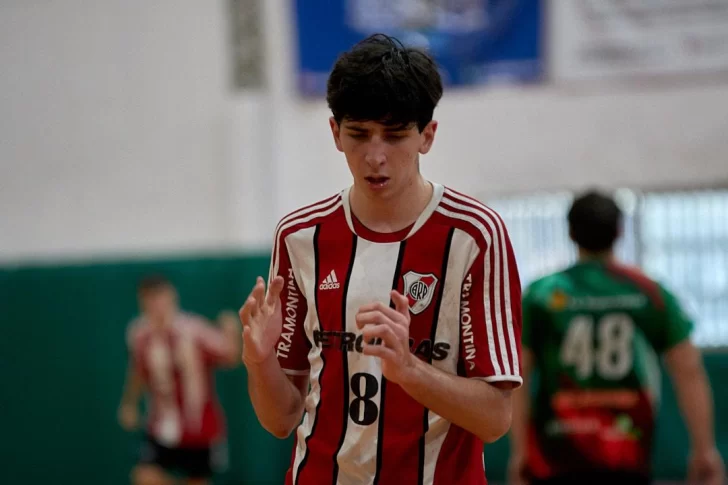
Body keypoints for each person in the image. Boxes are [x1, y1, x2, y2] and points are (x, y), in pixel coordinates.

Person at [239, 33, 523, 485]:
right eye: (358, 134)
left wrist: (409, 369)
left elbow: (494, 418)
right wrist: (259, 361)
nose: (375, 155)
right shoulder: (300, 236)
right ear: (335, 133)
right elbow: (281, 419)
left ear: (427, 136)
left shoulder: (473, 235)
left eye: (394, 136)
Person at [508, 191, 725, 485]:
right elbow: (688, 369)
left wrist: (519, 451)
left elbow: (517, 373)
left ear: (570, 232)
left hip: (556, 453)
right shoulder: (648, 291)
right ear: (620, 231)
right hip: (627, 451)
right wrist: (704, 449)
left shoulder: (543, 293)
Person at [118, 275, 241, 485]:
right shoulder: (139, 334)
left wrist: (232, 331)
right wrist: (129, 403)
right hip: (160, 426)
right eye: (150, 299)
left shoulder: (194, 331)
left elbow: (229, 357)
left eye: (160, 297)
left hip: (199, 428)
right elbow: (137, 370)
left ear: (172, 297)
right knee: (144, 477)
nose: (156, 305)